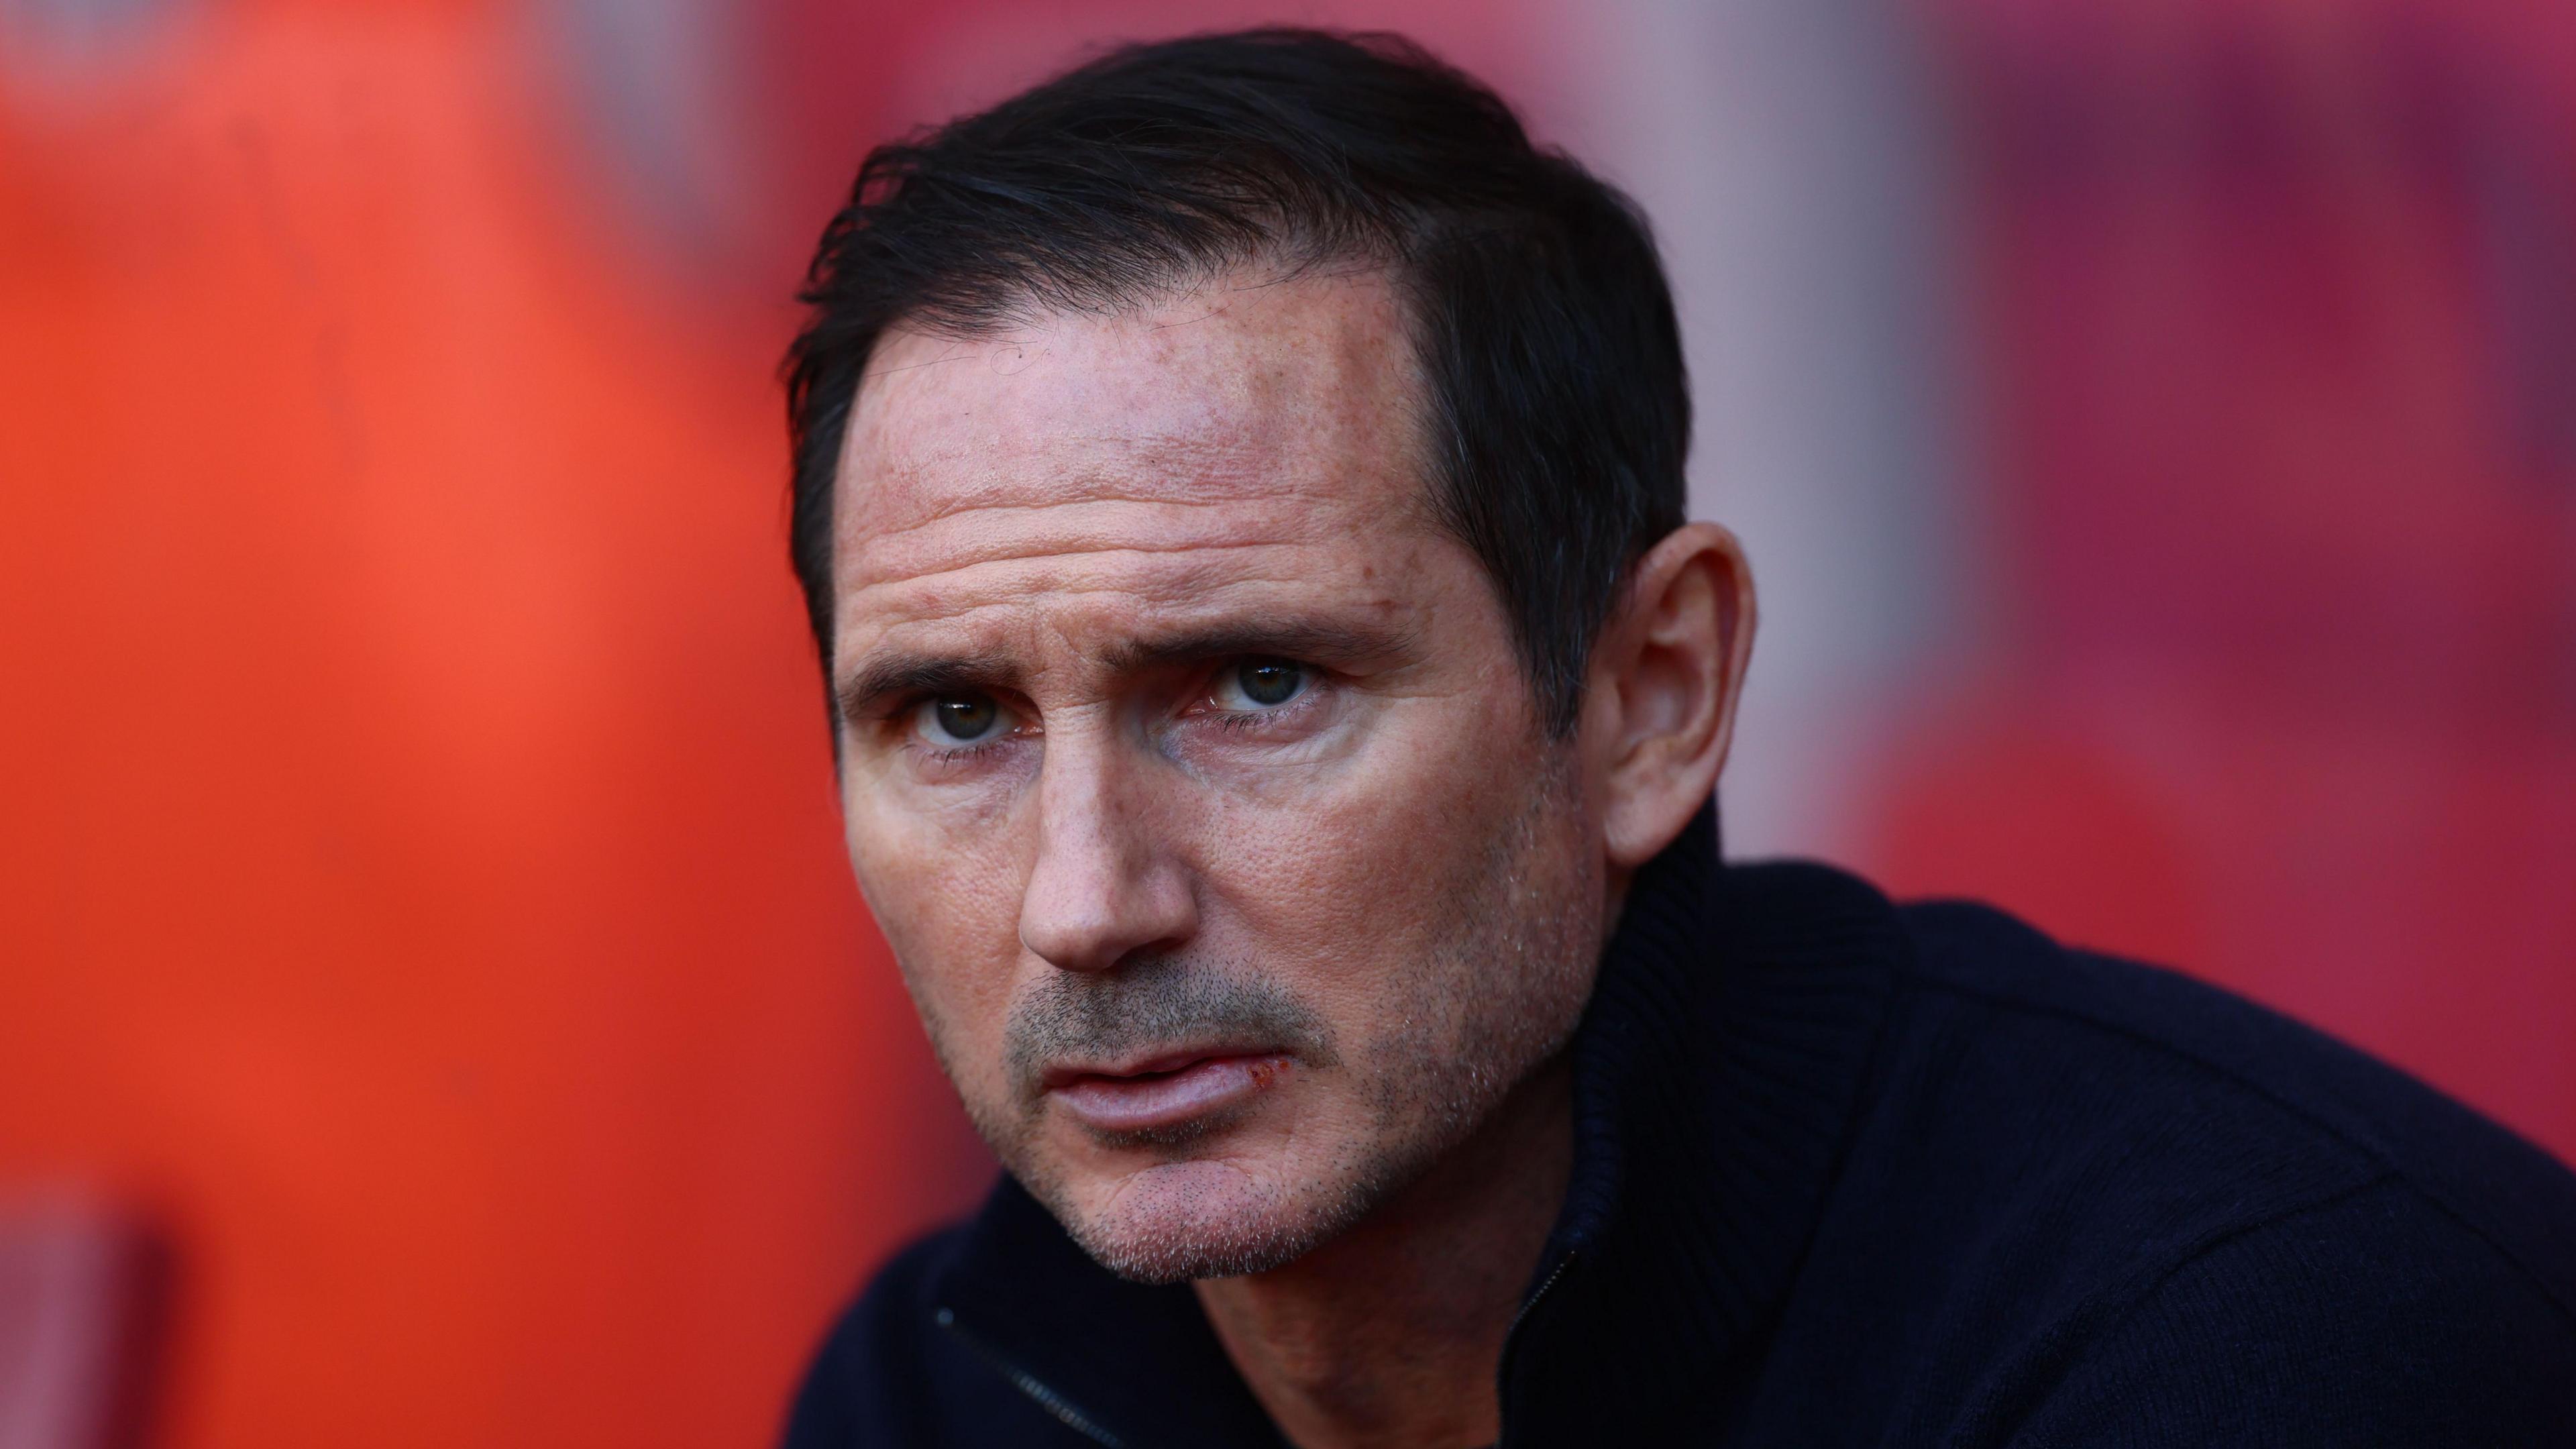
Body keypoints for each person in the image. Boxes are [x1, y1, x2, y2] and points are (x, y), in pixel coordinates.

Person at [775, 29, 2576, 1448]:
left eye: (1259, 688)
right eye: (956, 716)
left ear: (1654, 695)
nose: (1086, 904)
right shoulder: (946, 1391)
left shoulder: (2239, 1349)